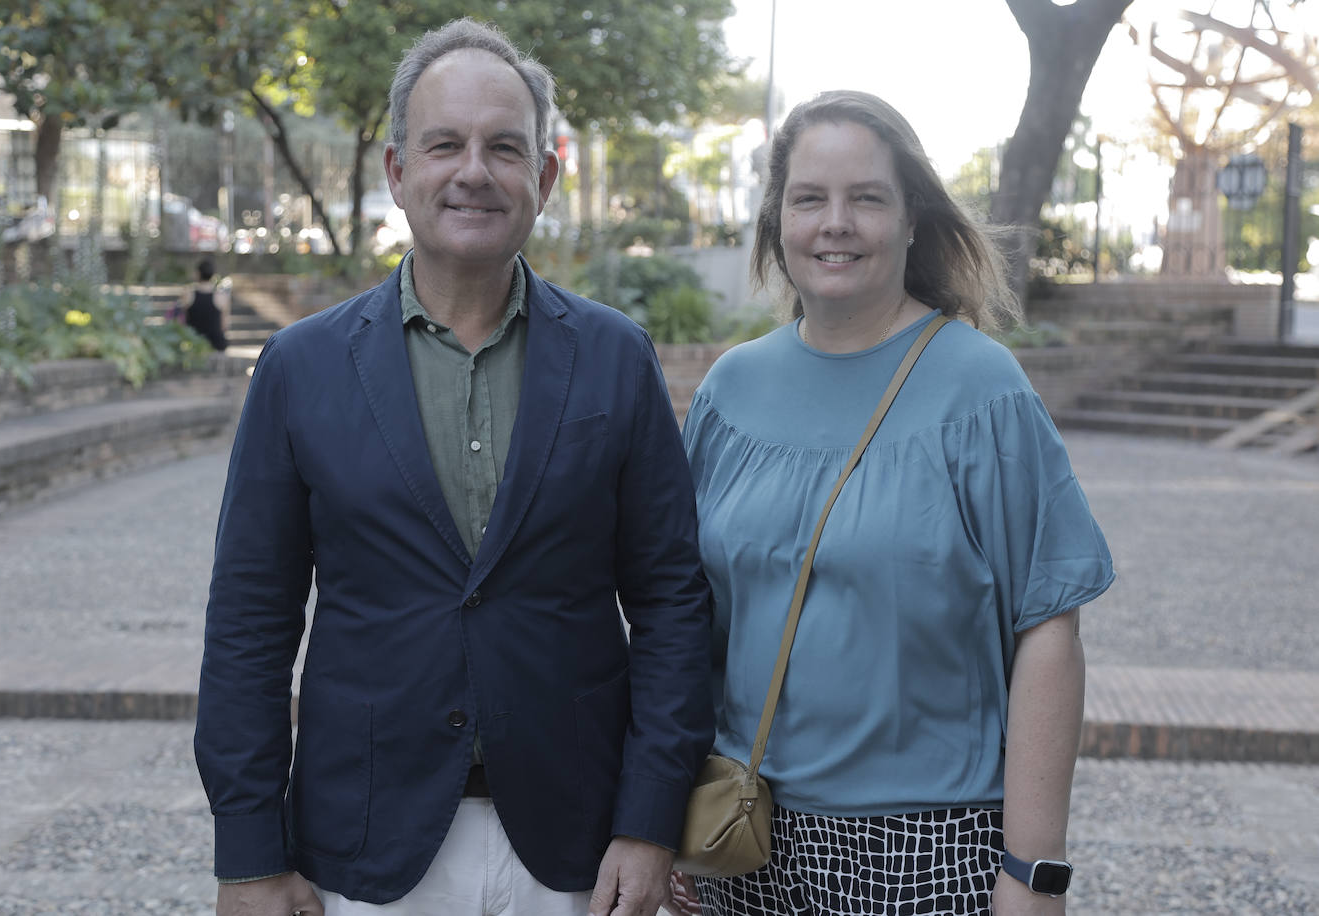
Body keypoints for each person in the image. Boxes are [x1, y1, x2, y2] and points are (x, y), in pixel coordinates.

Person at [195, 18, 714, 916]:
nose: (474, 171)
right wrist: (248, 853)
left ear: (543, 178)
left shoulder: (614, 357)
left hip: (580, 849)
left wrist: (650, 817)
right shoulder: (300, 368)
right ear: (399, 171)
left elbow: (671, 601)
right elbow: (250, 622)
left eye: (504, 148)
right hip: (364, 848)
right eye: (445, 145)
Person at [670, 91, 1114, 915]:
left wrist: (1034, 869)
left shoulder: (981, 388)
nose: (835, 222)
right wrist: (661, 808)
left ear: (912, 219)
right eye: (809, 199)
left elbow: (1049, 627)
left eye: (866, 198)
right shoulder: (730, 391)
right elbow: (689, 621)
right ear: (777, 222)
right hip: (744, 832)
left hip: (928, 848)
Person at [185, 257, 228, 351]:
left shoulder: (188, 293)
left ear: (198, 273)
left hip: (194, 342)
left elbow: (183, 319)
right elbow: (224, 325)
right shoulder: (222, 296)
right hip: (216, 344)